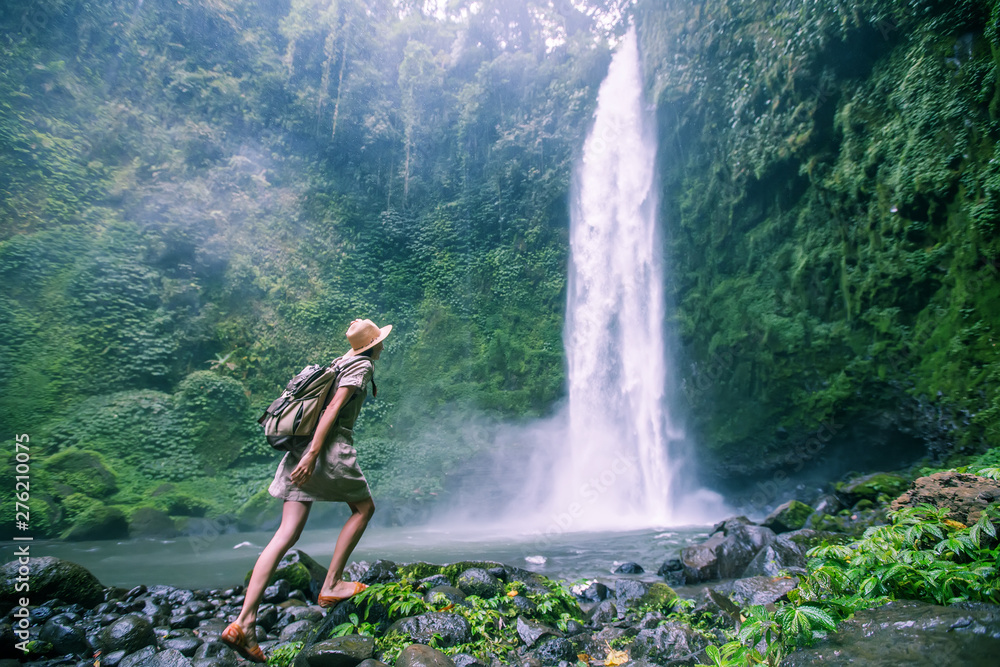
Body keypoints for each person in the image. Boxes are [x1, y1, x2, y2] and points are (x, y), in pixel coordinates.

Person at [220, 318, 392, 663]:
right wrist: (314, 454)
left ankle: (244, 621)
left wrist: (305, 453)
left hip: (299, 449)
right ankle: (332, 584)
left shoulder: (340, 362)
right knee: (364, 509)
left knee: (285, 534)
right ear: (376, 344)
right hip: (325, 449)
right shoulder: (361, 366)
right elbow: (331, 409)